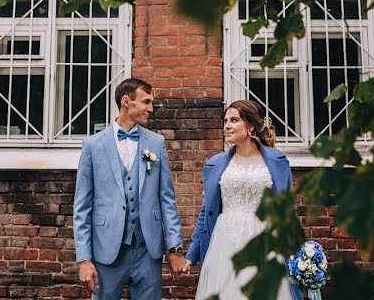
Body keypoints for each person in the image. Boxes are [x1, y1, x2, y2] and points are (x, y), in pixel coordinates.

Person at [73, 77, 188, 299]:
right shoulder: (93, 146)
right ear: (126, 101)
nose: (150, 109)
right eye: (146, 102)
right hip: (107, 250)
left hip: (148, 249)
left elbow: (167, 200)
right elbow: (82, 207)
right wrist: (84, 260)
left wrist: (174, 249)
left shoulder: (156, 143)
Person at [183, 99, 303, 300]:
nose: (227, 126)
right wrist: (192, 253)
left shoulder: (277, 161)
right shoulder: (215, 164)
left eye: (234, 120)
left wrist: (300, 254)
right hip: (225, 241)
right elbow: (207, 210)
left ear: (250, 125)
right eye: (225, 121)